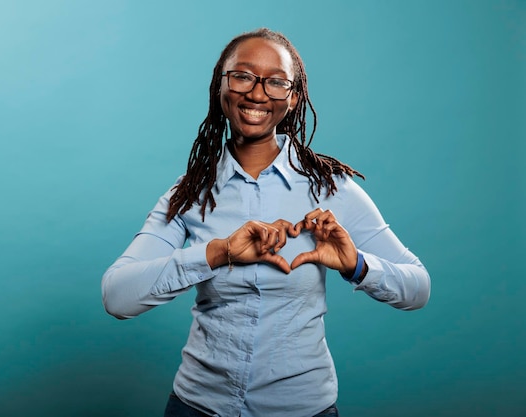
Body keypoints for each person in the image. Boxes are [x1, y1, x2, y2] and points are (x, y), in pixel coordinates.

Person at [102, 28, 430, 417]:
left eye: (276, 82)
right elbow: (117, 297)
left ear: (292, 98)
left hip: (303, 410)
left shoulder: (330, 188)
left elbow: (418, 288)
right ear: (220, 87)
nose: (257, 94)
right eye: (242, 76)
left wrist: (356, 265)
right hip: (198, 407)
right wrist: (217, 253)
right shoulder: (190, 192)